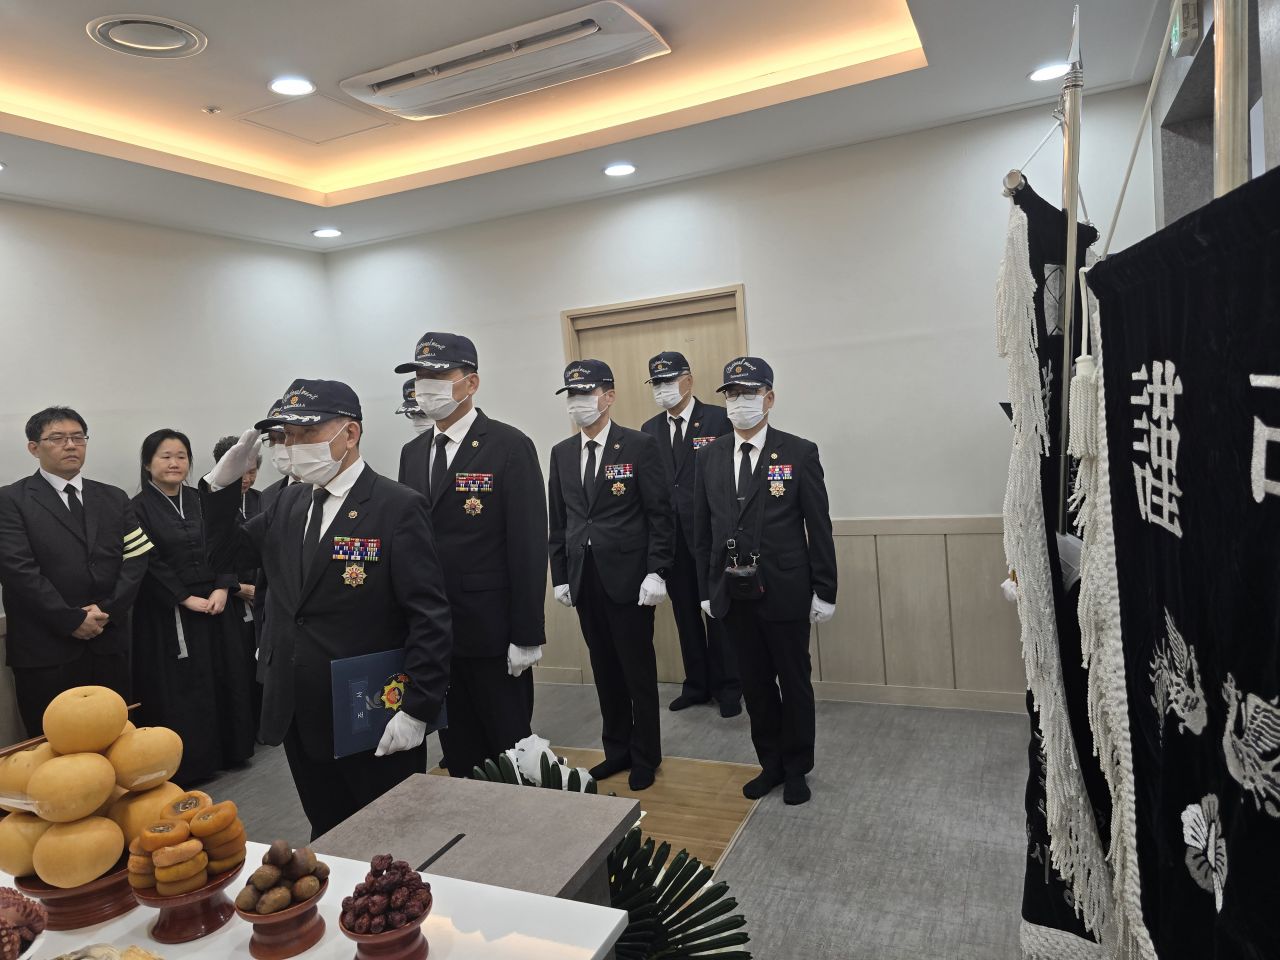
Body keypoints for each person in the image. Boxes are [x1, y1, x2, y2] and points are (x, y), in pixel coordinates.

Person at [202, 379, 452, 839]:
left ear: (349, 434)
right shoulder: (288, 500)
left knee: (389, 837)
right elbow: (224, 556)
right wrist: (219, 488)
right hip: (299, 706)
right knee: (328, 831)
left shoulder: (397, 506)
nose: (293, 446)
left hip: (370, 707)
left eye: (307, 433)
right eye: (288, 436)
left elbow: (429, 617)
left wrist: (418, 707)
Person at [394, 333, 547, 778]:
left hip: (493, 630)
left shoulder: (508, 445)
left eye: (439, 375)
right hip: (435, 634)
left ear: (471, 382)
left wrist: (527, 633)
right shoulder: (413, 453)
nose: (426, 386)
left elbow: (527, 543)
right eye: (421, 376)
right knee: (459, 751)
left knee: (509, 749)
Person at [693, 357, 837, 806]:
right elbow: (702, 530)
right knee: (754, 684)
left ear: (769, 398)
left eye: (748, 393)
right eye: (731, 394)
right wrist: (704, 588)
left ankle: (797, 768)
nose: (739, 402)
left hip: (785, 588)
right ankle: (770, 763)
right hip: (732, 592)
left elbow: (818, 525)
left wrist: (825, 589)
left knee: (793, 682)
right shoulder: (710, 456)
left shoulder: (799, 452)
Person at [547, 359, 674, 791]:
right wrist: (560, 575)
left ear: (609, 396)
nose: (577, 403)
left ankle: (646, 755)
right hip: (585, 579)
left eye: (585, 394)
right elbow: (560, 520)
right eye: (572, 395)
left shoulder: (639, 446)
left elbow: (660, 515)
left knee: (637, 672)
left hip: (630, 580)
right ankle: (617, 749)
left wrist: (657, 571)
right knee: (604, 671)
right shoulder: (562, 452)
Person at [0, 407, 153, 737]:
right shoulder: (10, 500)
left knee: (117, 738)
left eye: (78, 437)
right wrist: (71, 619)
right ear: (33, 447)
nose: (70, 445)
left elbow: (137, 557)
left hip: (108, 640)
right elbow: (16, 569)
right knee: (54, 746)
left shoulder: (113, 497)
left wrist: (108, 610)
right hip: (45, 648)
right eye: (57, 438)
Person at [131, 429, 250, 782]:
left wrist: (223, 586)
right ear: (147, 464)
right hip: (170, 611)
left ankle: (231, 751)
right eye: (165, 456)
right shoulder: (136, 508)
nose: (174, 463)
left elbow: (228, 540)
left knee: (224, 675)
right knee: (186, 686)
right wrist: (183, 597)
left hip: (217, 603)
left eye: (181, 456)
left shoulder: (202, 499)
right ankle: (194, 763)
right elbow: (147, 560)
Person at [640, 351, 740, 717]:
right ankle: (696, 684)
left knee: (719, 612)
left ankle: (729, 688)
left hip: (711, 536)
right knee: (685, 614)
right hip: (672, 539)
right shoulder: (649, 429)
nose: (662, 389)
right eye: (656, 383)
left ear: (688, 380)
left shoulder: (718, 419)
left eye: (668, 381)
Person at [212, 434, 264, 734]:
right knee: (235, 664)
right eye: (240, 471)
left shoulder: (263, 499)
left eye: (252, 471)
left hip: (261, 594)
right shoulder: (208, 502)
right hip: (227, 597)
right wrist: (236, 587)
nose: (246, 478)